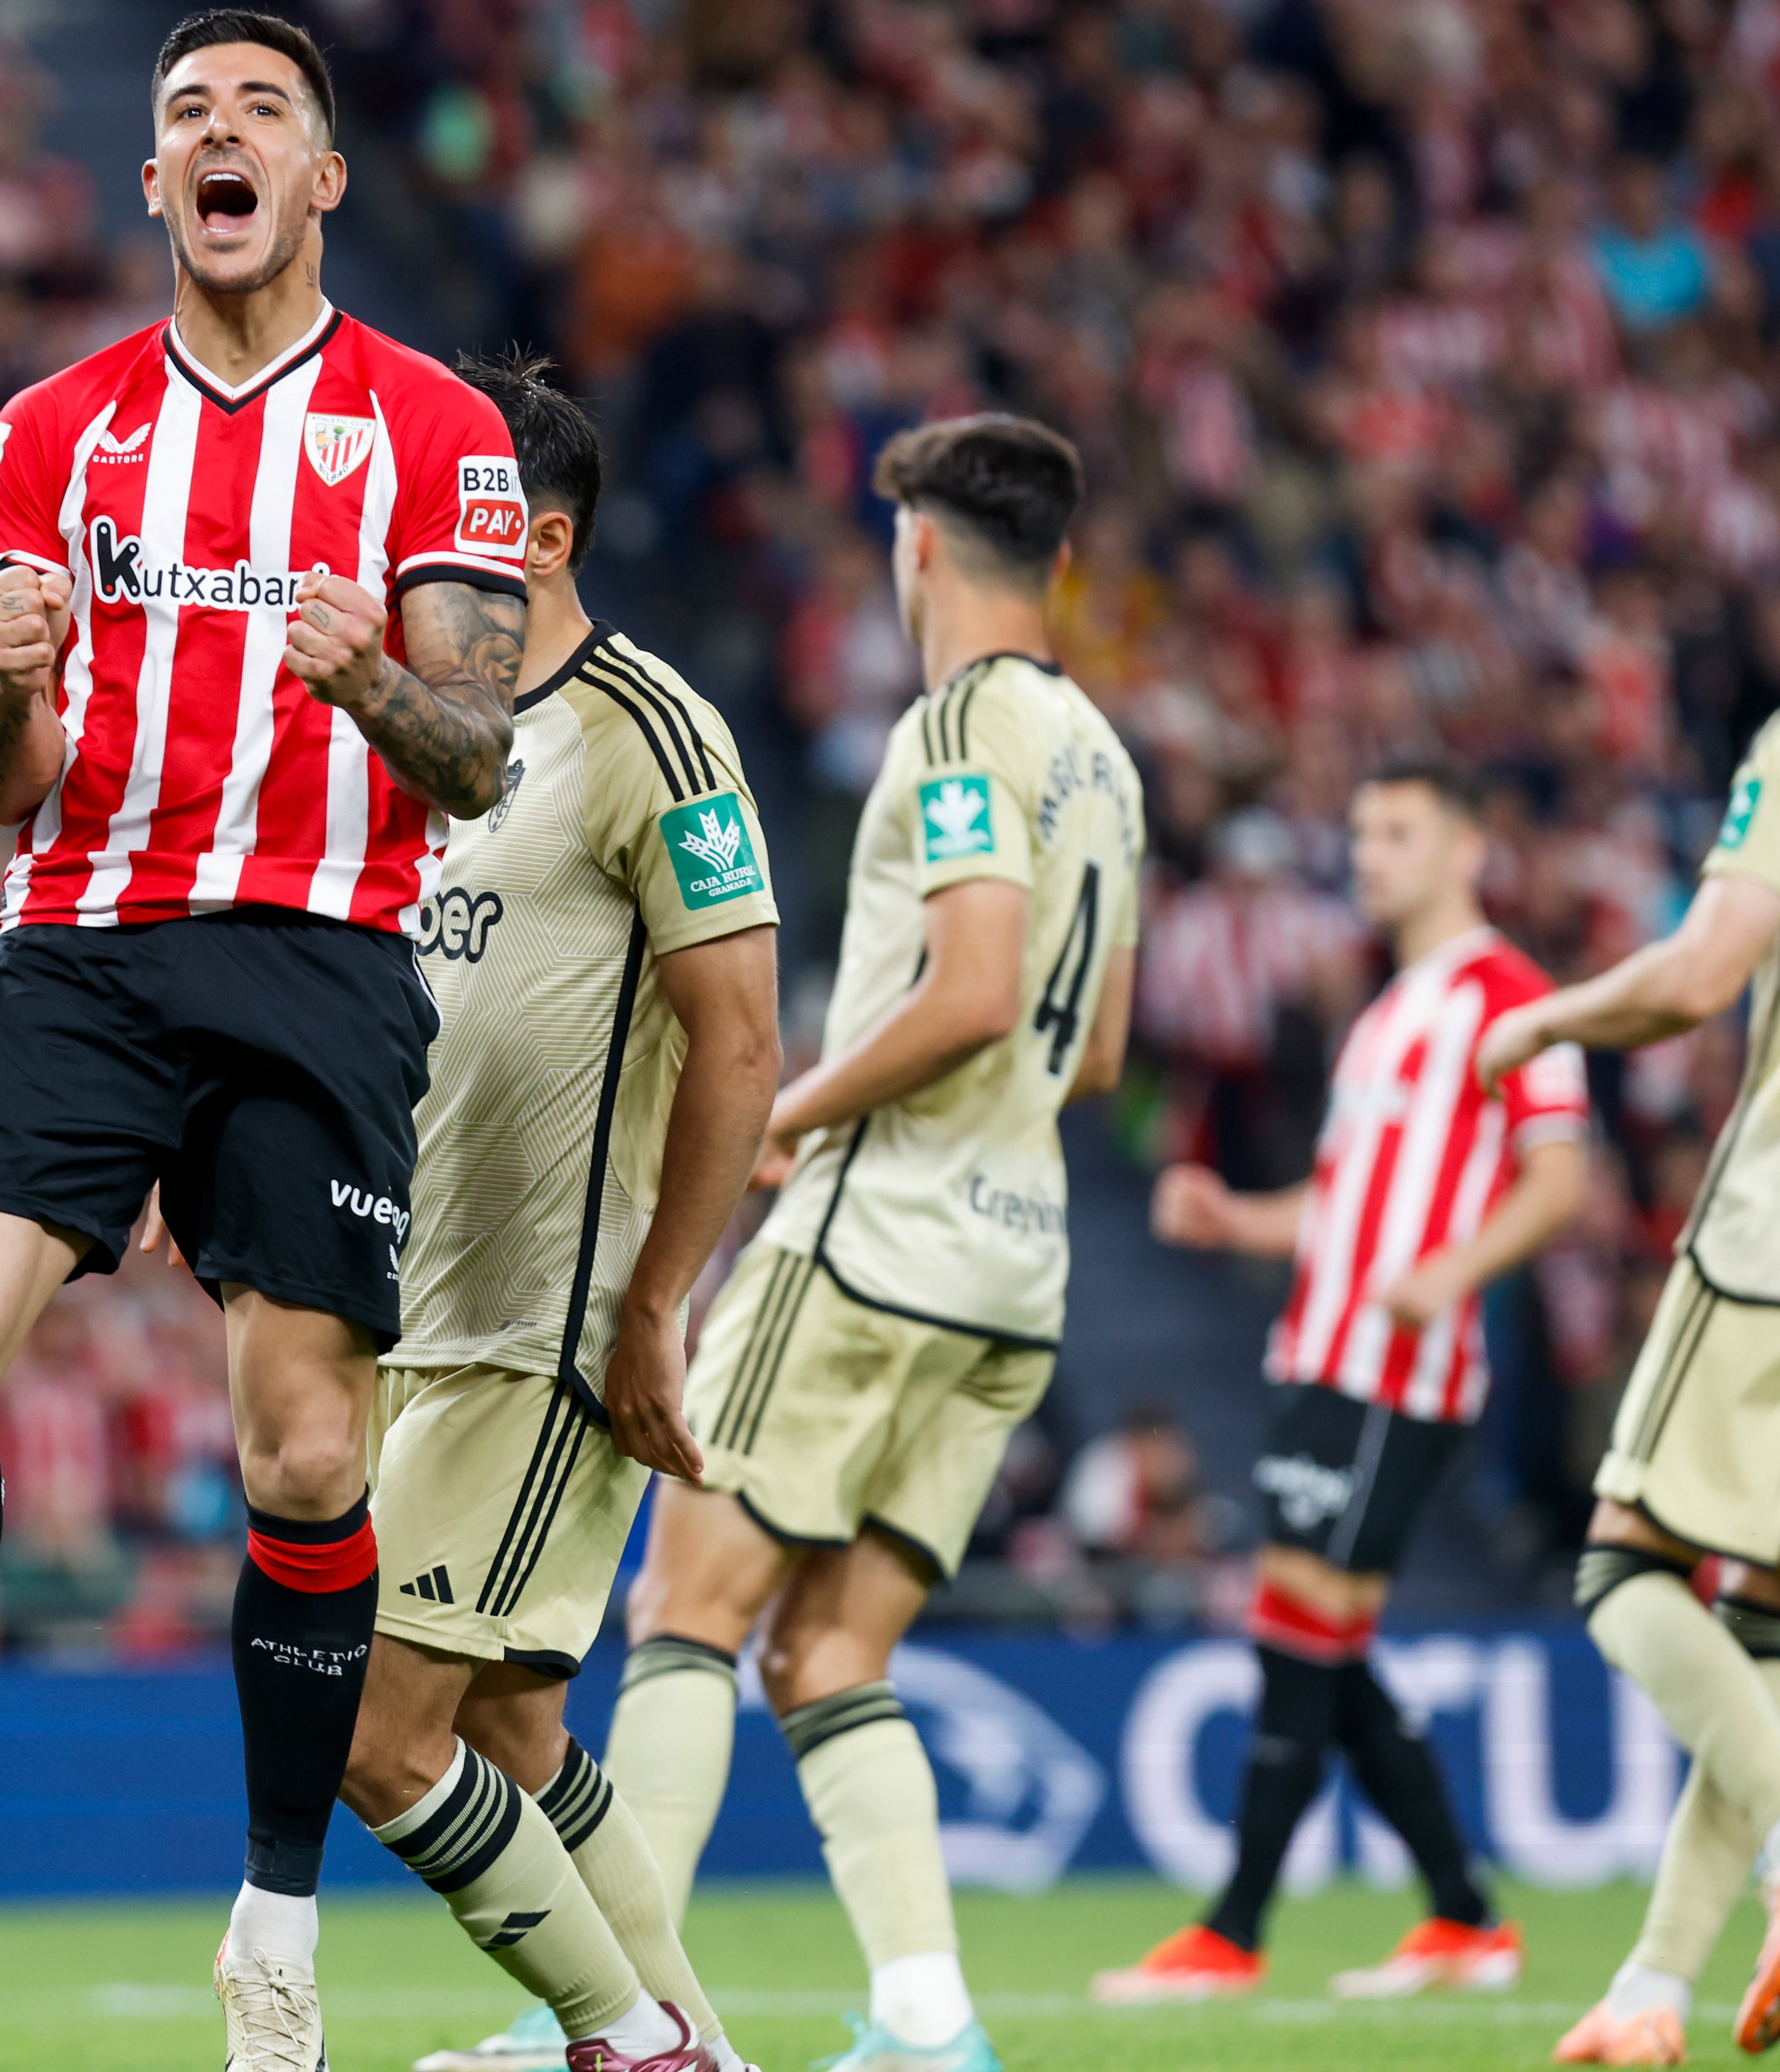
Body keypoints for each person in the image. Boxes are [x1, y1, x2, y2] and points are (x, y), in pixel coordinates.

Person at [0, 16, 534, 2070]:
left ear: (324, 176)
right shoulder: (54, 432)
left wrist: (371, 675)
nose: (219, 135)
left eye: (260, 110)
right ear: (151, 185)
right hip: (91, 939)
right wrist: (0, 690)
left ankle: (275, 1920)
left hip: (322, 953)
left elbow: (474, 760)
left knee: (301, 1447)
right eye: (186, 113)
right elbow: (3, 778)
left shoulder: (437, 425)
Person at [598, 414, 1144, 2072]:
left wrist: (797, 1109)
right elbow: (1096, 1048)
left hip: (878, 1239)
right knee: (833, 1650)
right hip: (1016, 1268)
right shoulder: (1106, 757)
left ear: (916, 548)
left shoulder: (957, 724)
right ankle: (928, 2019)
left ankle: (637, 2020)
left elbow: (975, 986)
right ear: (1052, 557)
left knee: (682, 1614)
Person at [316, 351, 779, 2072]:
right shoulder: (421, 747)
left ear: (543, 528)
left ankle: (630, 2040)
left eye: (448, 506)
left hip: (541, 1317)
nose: (409, 537)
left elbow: (740, 1031)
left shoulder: (654, 728)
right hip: (401, 1304)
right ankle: (696, 2044)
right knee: (509, 1726)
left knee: (375, 1731)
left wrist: (658, 1298)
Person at [1090, 761, 1592, 2005]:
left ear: (1467, 848)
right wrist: (1230, 1216)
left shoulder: (1507, 996)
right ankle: (1465, 1917)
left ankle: (1233, 1930)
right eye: (1360, 831)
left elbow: (1560, 1172)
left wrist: (1454, 1271)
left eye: (1398, 831)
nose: (1367, 854)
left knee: (1296, 1621)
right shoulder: (1380, 1015)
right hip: (1319, 1349)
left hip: (1397, 1366)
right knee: (1322, 1637)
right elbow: (1339, 1202)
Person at [1477, 486, 1780, 2061]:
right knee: (1767, 1616)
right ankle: (1649, 1992)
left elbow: (1703, 973)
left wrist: (1546, 1019)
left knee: (1624, 1564)